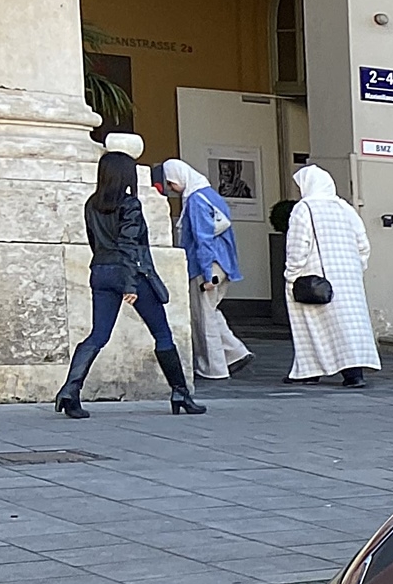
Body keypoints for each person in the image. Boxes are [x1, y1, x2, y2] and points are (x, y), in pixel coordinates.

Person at [57, 150, 203, 418]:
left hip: (100, 271)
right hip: (130, 274)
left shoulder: (92, 204)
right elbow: (128, 246)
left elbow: (95, 242)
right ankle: (180, 392)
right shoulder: (129, 204)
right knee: (161, 332)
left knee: (98, 335)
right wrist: (130, 286)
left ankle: (70, 389)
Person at [283, 164, 380, 388]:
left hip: (313, 276)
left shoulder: (304, 208)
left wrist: (292, 274)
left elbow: (298, 244)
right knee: (348, 325)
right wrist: (356, 268)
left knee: (312, 326)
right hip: (349, 278)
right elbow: (363, 243)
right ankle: (354, 373)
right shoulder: (345, 208)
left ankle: (310, 370)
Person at [160, 159, 249, 379]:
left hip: (207, 267)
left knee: (203, 319)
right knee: (211, 312)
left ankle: (215, 368)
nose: (172, 189)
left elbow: (203, 239)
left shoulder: (196, 200)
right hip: (224, 264)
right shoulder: (211, 195)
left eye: (172, 183)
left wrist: (207, 274)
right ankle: (235, 353)